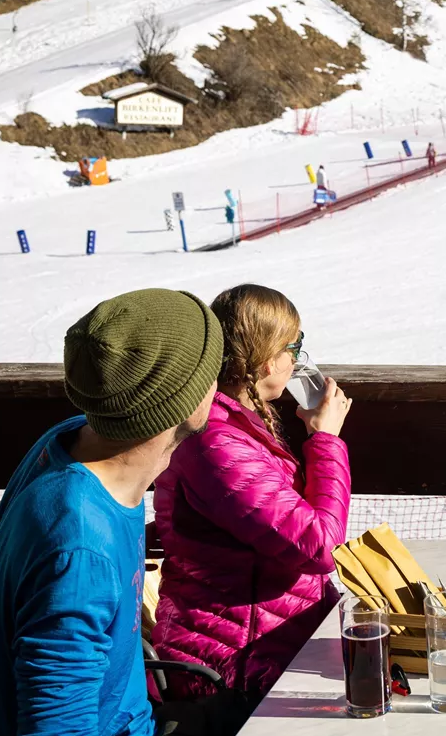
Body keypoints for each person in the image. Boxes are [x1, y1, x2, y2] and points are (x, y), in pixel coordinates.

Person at [0, 289, 224, 736]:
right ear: (186, 400)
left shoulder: (69, 442)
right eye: (212, 370)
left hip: (134, 733)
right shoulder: (79, 549)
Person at [151, 284, 353, 711]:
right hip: (236, 667)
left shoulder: (232, 421)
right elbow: (320, 546)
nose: (298, 359)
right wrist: (325, 439)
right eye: (294, 346)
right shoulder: (218, 443)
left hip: (271, 640)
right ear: (266, 360)